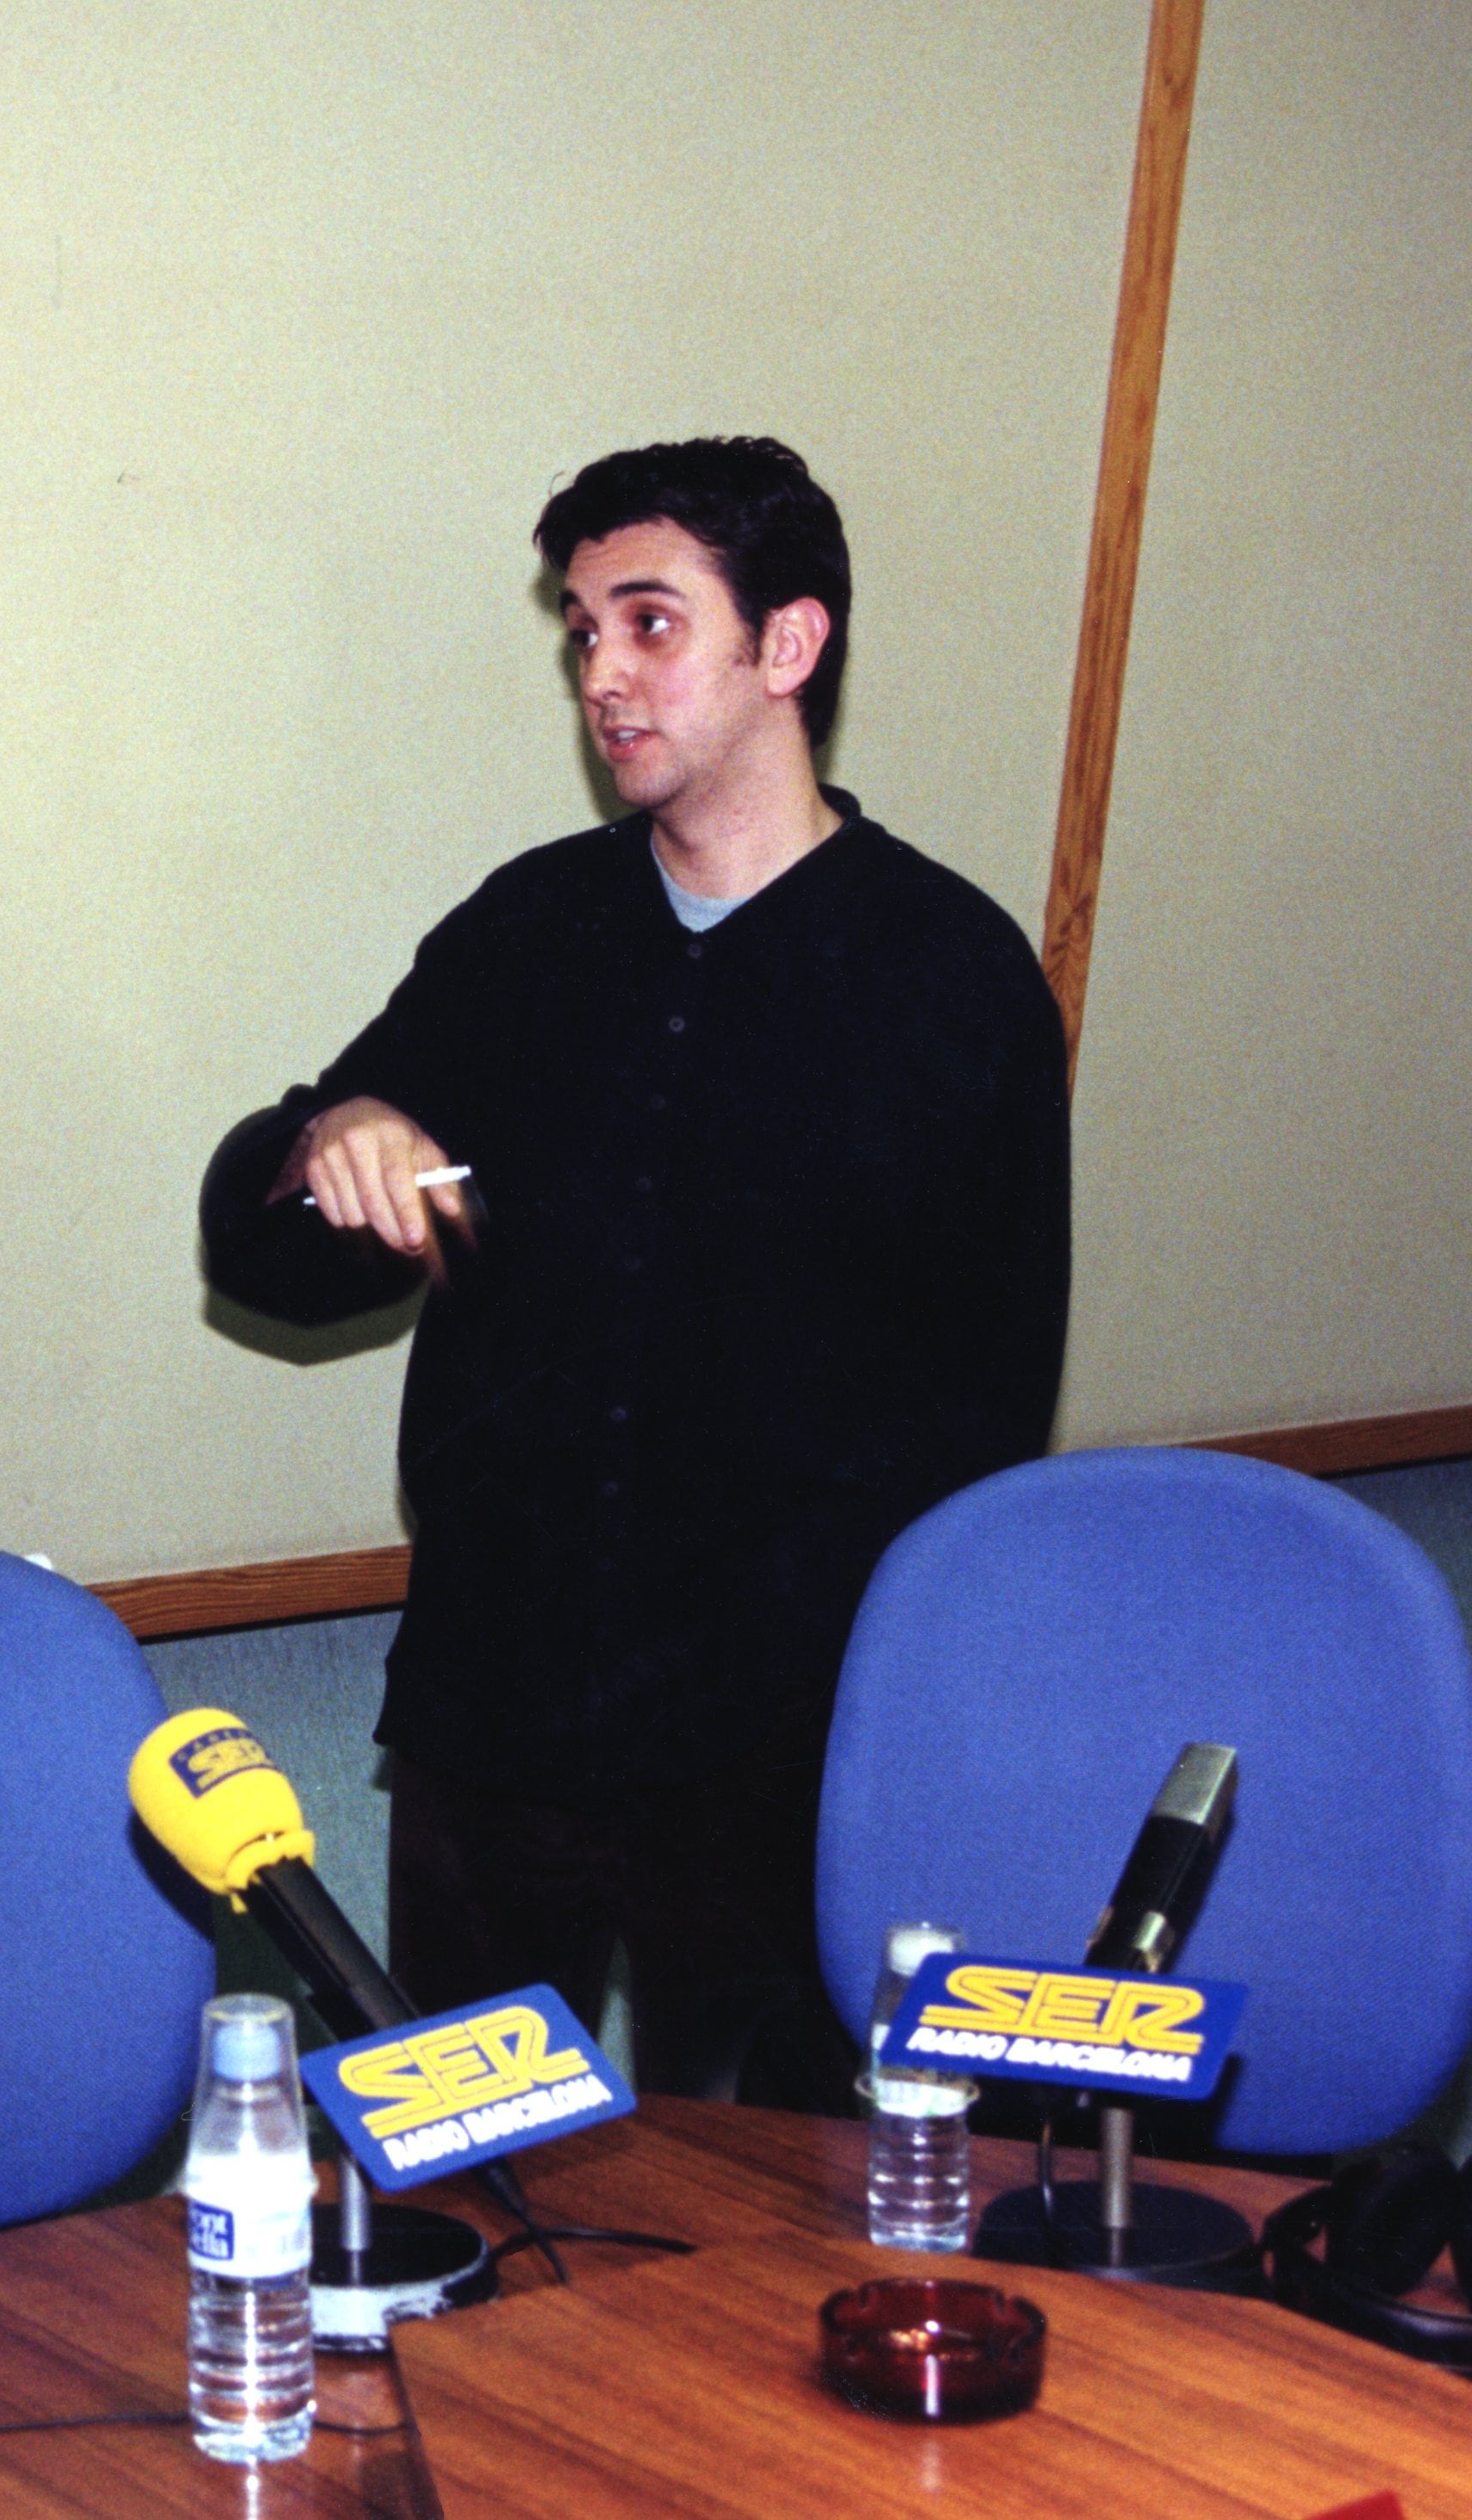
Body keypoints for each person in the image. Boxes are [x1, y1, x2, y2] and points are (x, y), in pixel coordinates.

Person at [199, 435, 1066, 2109]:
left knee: (765, 2268)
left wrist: (912, 1754)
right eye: (583, 631)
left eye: (650, 623)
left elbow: (988, 1429)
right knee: (464, 2222)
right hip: (490, 1736)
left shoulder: (949, 981)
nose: (602, 673)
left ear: (787, 647)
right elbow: (269, 1255)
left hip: (782, 1769)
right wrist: (332, 1133)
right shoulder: (531, 939)